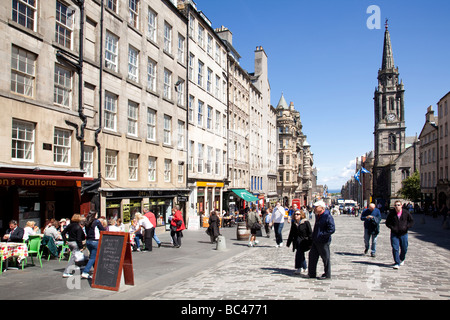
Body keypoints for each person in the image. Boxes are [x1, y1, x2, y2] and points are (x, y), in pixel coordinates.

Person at [308, 200, 335, 280]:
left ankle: (327, 274)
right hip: (316, 240)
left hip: (323, 241)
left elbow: (332, 229)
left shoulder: (327, 216)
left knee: (325, 258)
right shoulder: (318, 216)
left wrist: (322, 235)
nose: (315, 208)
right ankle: (312, 273)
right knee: (312, 257)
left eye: (316, 207)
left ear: (322, 208)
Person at [386, 200, 414, 269]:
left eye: (398, 205)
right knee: (395, 248)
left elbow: (411, 221)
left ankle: (402, 258)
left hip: (403, 233)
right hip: (394, 233)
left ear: (401, 206)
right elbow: (387, 223)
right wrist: (392, 228)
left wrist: (406, 227)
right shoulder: (391, 213)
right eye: (395, 205)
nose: (397, 207)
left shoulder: (406, 213)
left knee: (404, 248)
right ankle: (397, 262)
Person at [81, 210, 106, 279]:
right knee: (93, 257)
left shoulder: (86, 222)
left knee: (93, 256)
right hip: (95, 241)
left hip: (88, 241)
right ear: (94, 215)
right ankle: (85, 272)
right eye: (96, 214)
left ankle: (96, 271)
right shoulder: (96, 221)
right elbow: (102, 229)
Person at [287, 210, 312, 275]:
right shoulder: (294, 223)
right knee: (300, 254)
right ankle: (304, 267)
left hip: (304, 241)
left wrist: (311, 242)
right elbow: (291, 233)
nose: (296, 215)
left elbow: (310, 233)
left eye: (298, 214)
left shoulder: (306, 222)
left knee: (299, 254)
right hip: (296, 242)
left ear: (301, 215)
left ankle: (299, 267)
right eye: (295, 214)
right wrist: (288, 242)